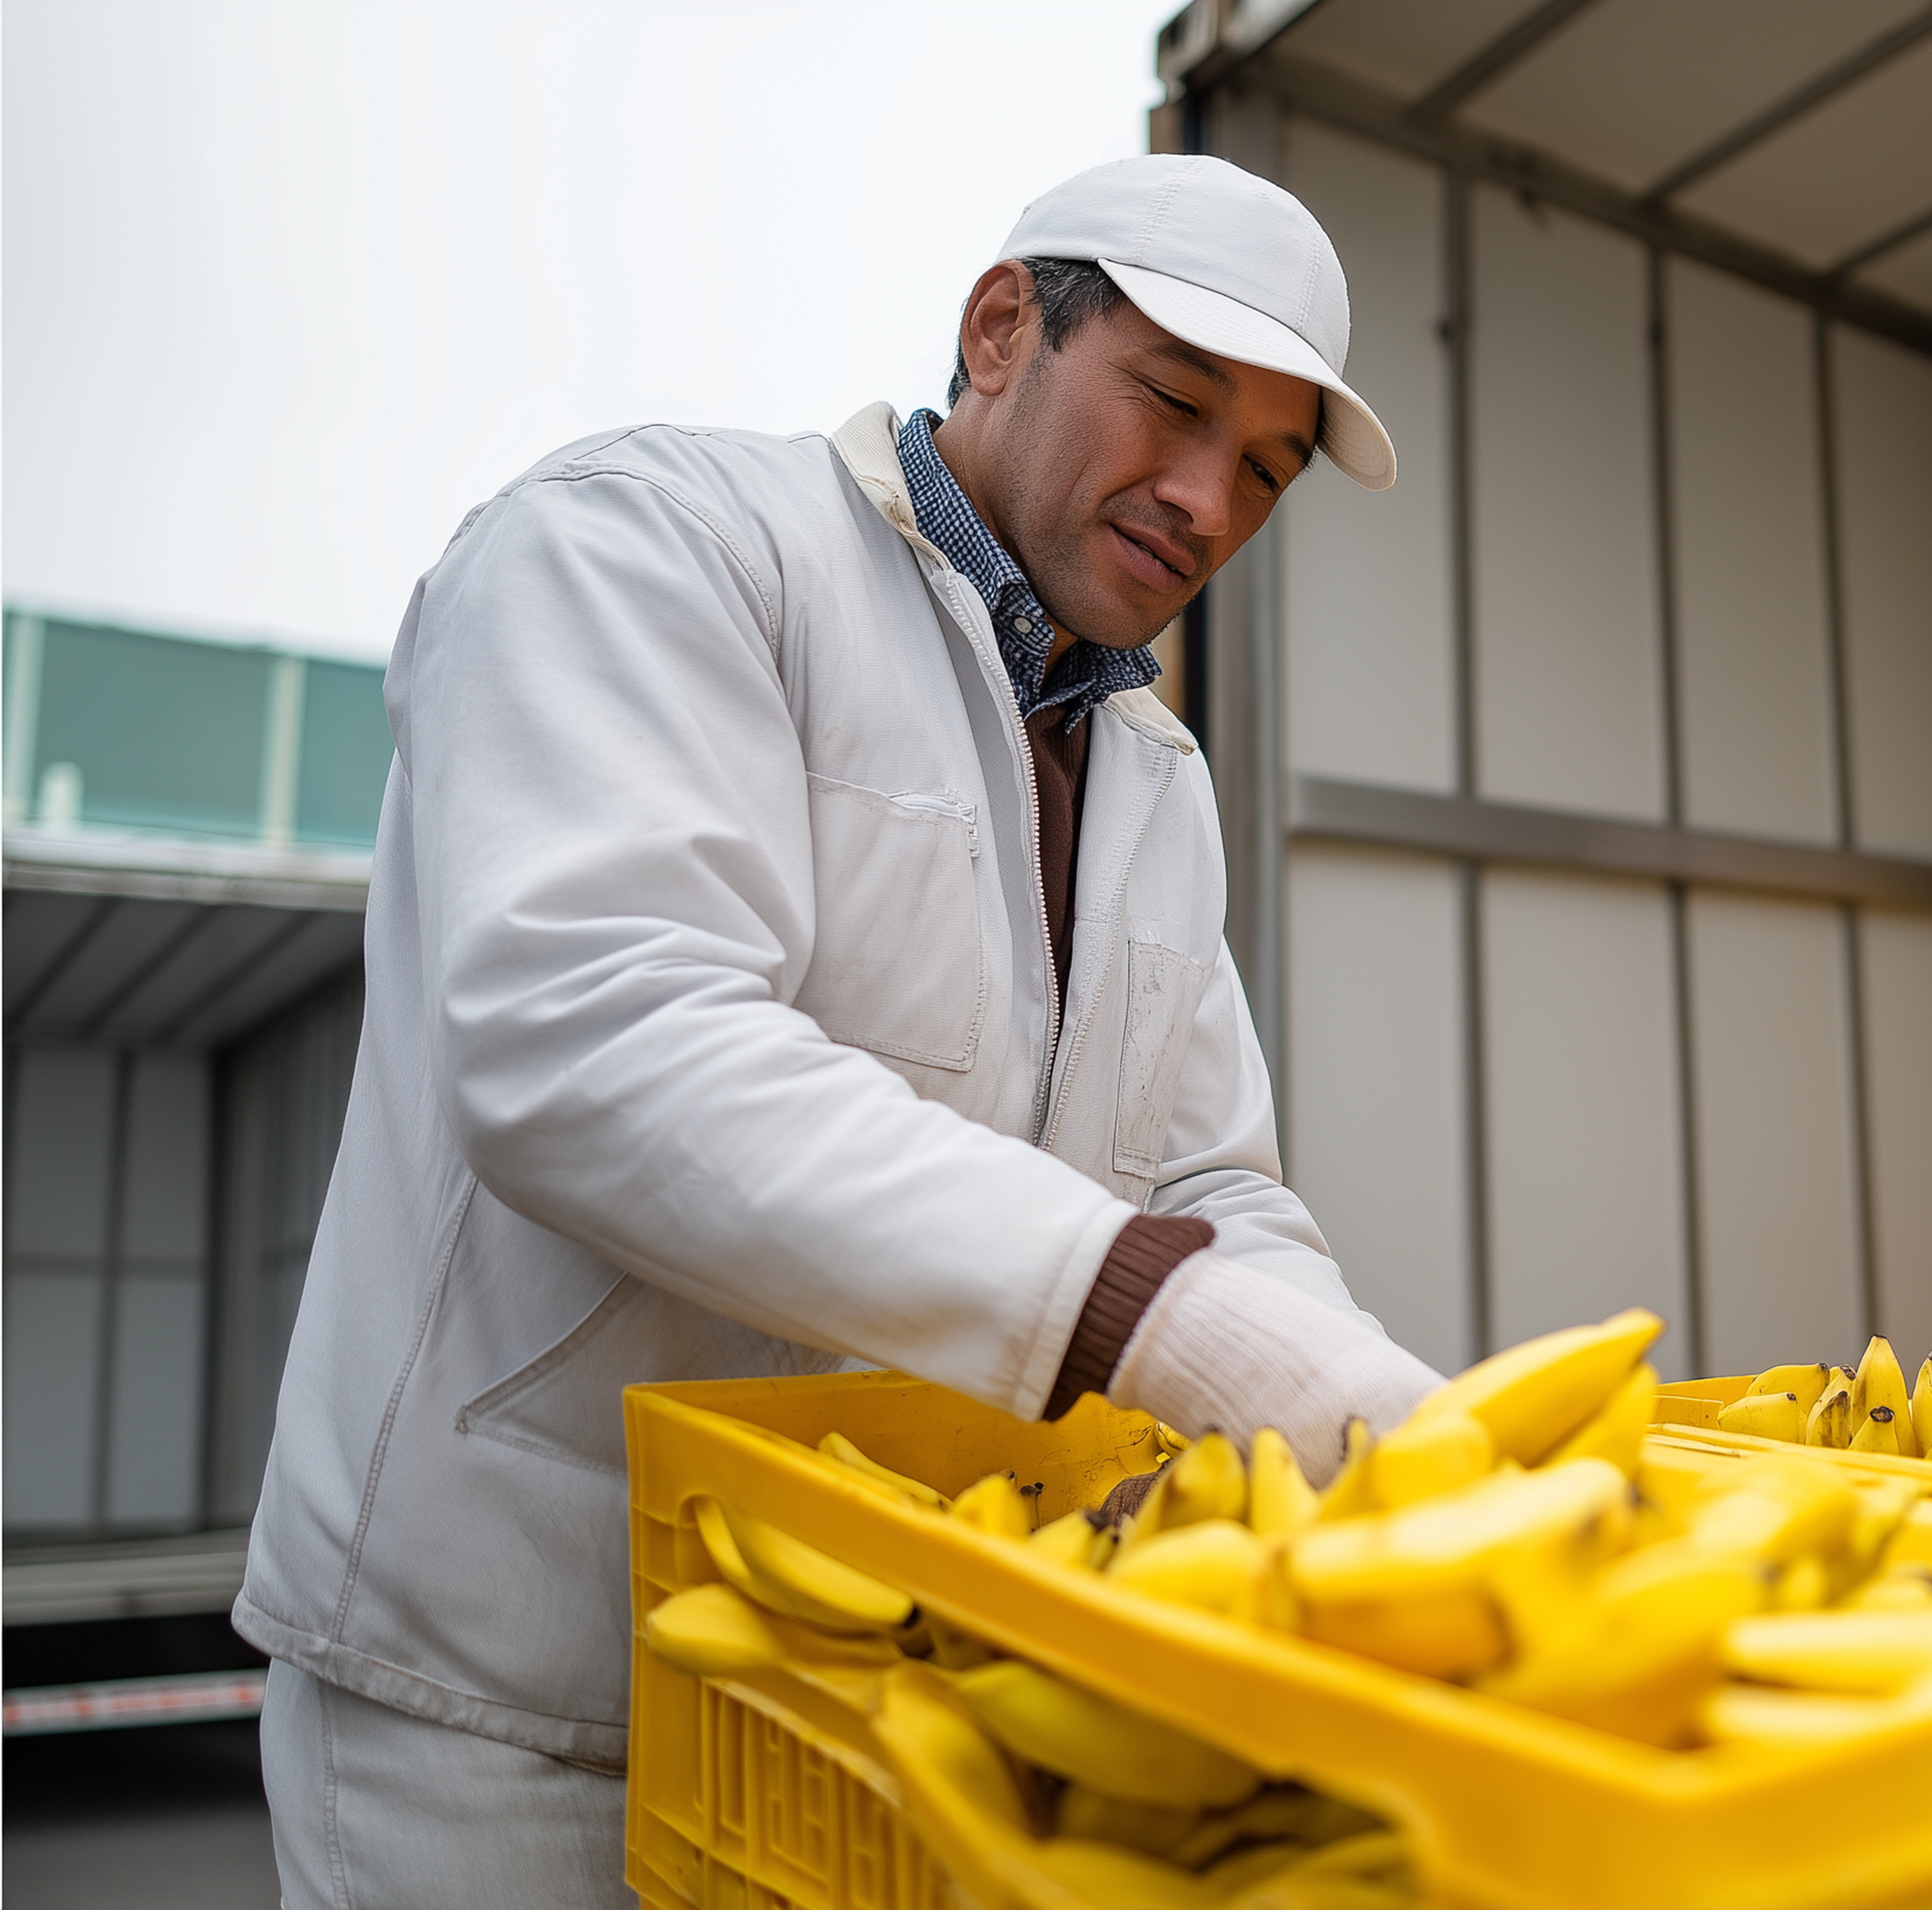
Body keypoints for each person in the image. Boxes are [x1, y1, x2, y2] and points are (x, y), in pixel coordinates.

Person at [235, 155, 1440, 1906]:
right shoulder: (659, 546)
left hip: (870, 1691)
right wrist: (1149, 1318)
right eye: (1173, 404)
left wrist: (1349, 1396)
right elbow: (591, 1035)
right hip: (505, 1705)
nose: (1206, 499)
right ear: (1004, 326)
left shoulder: (1158, 785)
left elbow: (1208, 1184)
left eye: (1263, 468)